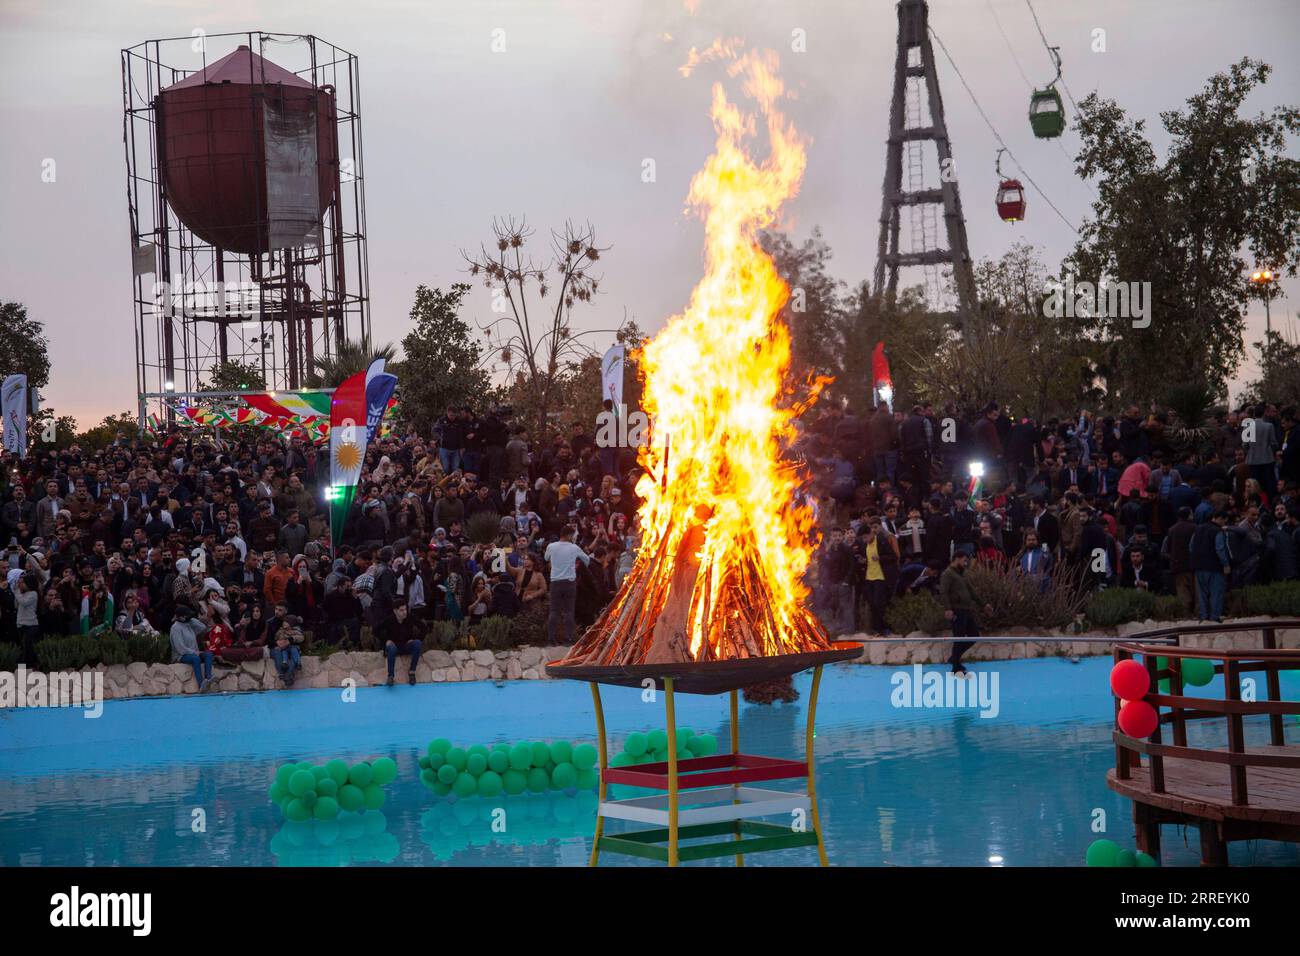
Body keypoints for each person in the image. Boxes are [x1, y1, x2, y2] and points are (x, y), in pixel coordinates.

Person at [939, 551, 992, 676]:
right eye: (964, 560)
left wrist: (983, 605)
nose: (966, 563)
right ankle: (956, 666)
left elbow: (972, 592)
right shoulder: (948, 574)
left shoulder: (961, 575)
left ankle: (954, 657)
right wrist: (948, 609)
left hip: (966, 610)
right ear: (956, 559)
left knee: (974, 635)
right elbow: (943, 592)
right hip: (957, 610)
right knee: (959, 637)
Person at [543, 525, 590, 645]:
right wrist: (577, 566)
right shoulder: (574, 548)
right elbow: (587, 560)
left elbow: (546, 557)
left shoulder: (551, 546)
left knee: (554, 611)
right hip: (569, 582)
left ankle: (551, 639)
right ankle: (568, 639)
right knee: (569, 611)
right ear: (569, 535)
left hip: (555, 582)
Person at [169, 604, 214, 691]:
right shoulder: (175, 628)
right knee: (196, 659)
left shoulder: (189, 624)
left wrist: (191, 620)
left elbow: (202, 627)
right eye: (187, 615)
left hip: (194, 653)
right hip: (181, 656)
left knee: (209, 654)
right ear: (181, 617)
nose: (189, 616)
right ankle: (201, 685)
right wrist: (193, 652)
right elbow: (180, 648)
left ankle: (208, 678)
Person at [378, 602, 423, 686]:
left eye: (405, 609)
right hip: (393, 648)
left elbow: (423, 627)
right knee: (391, 648)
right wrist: (385, 641)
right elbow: (376, 630)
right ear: (395, 611)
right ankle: (390, 676)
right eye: (401, 610)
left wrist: (414, 639)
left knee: (417, 643)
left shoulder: (410, 618)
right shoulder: (389, 620)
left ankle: (412, 672)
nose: (404, 612)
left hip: (406, 646)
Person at [272, 614, 305, 687]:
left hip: (292, 647)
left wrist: (291, 639)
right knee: (283, 653)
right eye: (283, 622)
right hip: (284, 648)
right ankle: (284, 664)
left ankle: (298, 663)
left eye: (286, 622)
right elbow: (276, 638)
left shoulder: (296, 630)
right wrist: (278, 642)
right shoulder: (281, 631)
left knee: (294, 652)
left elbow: (301, 637)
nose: (284, 623)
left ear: (291, 624)